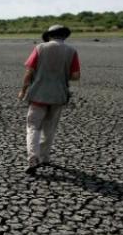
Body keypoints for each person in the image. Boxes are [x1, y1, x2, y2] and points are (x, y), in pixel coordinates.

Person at [18, 25, 81, 174]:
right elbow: (76, 76)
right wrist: (62, 73)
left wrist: (23, 90)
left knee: (33, 127)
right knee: (50, 128)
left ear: (49, 35)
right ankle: (45, 157)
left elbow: (29, 72)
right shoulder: (71, 51)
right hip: (58, 95)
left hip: (38, 95)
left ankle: (33, 158)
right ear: (64, 36)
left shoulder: (40, 48)